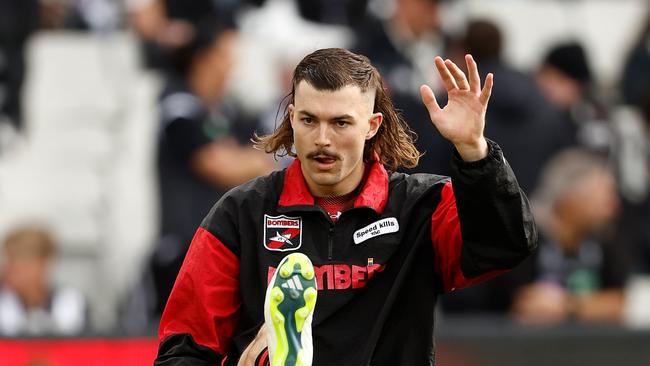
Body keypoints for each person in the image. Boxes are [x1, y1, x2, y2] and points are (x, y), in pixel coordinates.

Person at [155, 48, 536, 365]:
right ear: (292, 118)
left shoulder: (423, 206)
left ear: (371, 125)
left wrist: (475, 152)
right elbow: (185, 348)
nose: (322, 139)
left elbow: (506, 246)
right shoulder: (241, 213)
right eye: (309, 120)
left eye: (340, 123)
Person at [512, 149, 626, 324]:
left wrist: (569, 305)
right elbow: (521, 302)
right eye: (604, 196)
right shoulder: (522, 238)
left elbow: (620, 301)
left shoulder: (603, 241)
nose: (613, 207)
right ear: (570, 198)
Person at [0, 226, 87, 336]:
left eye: (22, 261)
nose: (9, 268)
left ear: (42, 264)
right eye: (9, 260)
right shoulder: (4, 300)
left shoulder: (71, 302)